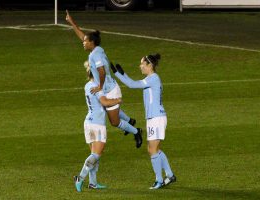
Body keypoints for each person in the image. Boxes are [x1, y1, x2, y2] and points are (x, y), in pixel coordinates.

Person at [66, 10, 142, 148]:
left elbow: (101, 71)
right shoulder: (97, 50)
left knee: (114, 122)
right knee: (107, 108)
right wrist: (72, 23)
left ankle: (137, 131)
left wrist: (100, 86)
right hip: (108, 88)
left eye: (85, 41)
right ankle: (130, 120)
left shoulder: (95, 55)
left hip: (110, 90)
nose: (83, 42)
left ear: (92, 43)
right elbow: (82, 37)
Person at [111, 54, 177, 189]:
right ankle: (170, 175)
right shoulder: (151, 79)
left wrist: (118, 73)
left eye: (142, 64)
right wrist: (122, 75)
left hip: (156, 118)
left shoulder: (153, 79)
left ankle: (159, 180)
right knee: (155, 149)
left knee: (152, 150)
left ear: (149, 65)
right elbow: (133, 83)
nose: (140, 66)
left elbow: (132, 85)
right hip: (154, 118)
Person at [74, 63, 122, 192]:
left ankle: (93, 183)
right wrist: (117, 100)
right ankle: (80, 178)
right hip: (97, 124)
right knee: (96, 154)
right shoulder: (97, 87)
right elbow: (105, 102)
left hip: (88, 122)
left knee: (94, 154)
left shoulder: (88, 85)